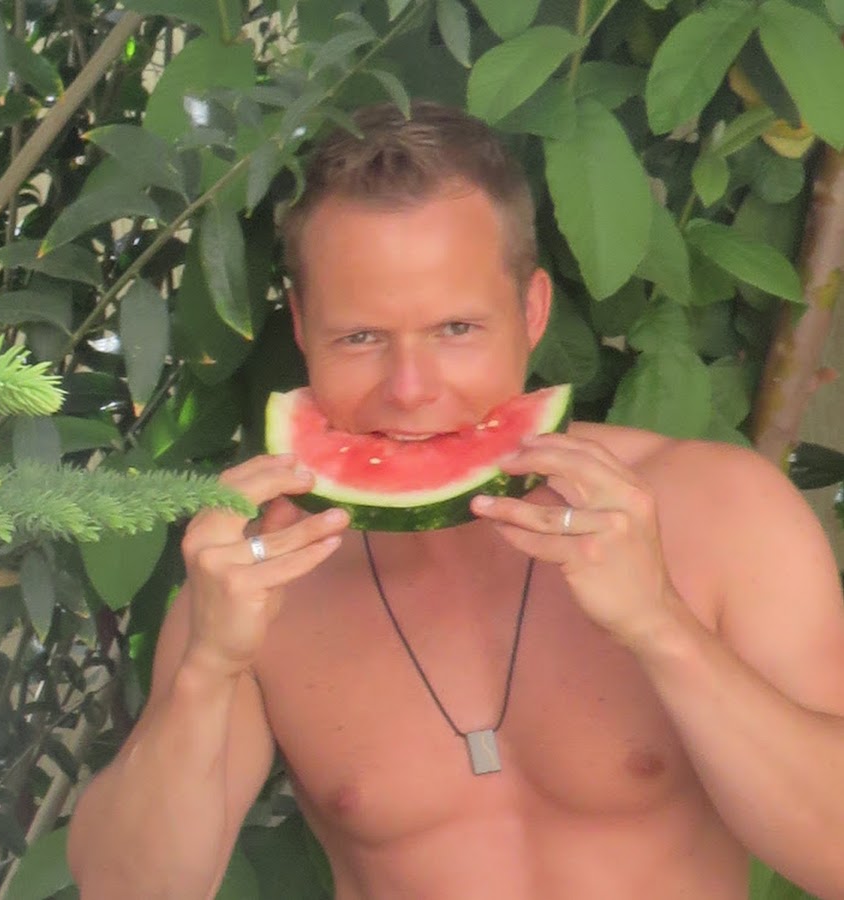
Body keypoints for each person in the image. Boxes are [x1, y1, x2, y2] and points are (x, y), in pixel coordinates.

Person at [68, 102, 844, 899]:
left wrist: (660, 626)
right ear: (301, 327)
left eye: (456, 329)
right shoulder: (256, 568)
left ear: (532, 311)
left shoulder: (723, 508)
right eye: (361, 337)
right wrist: (207, 670)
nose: (410, 390)